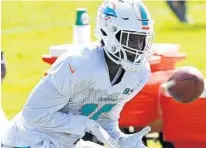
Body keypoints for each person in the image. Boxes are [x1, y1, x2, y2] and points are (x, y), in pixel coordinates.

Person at [2, 0, 154, 147]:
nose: (138, 48)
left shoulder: (139, 73)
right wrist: (84, 123)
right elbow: (33, 114)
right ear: (107, 32)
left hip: (65, 143)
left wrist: (120, 140)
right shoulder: (78, 64)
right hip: (27, 141)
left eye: (143, 40)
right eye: (131, 39)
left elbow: (105, 115)